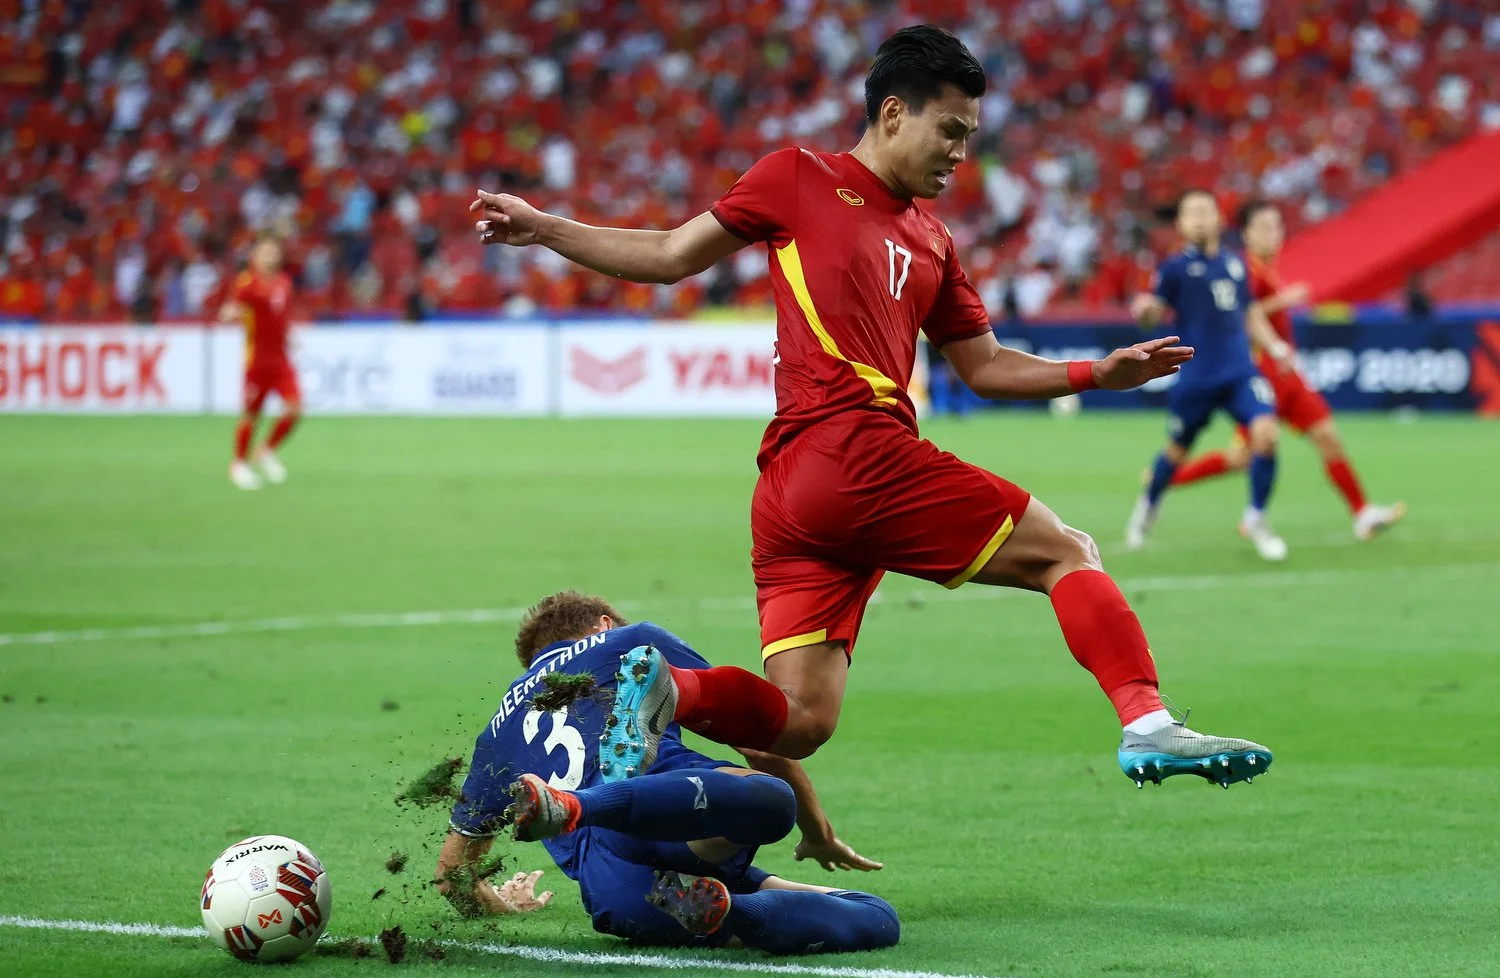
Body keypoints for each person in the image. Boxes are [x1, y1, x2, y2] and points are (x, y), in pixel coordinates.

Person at [470, 26, 1272, 791]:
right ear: (893, 113)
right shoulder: (796, 177)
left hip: (790, 495)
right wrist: (546, 229)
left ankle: (668, 691)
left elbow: (983, 366)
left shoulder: (934, 239)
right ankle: (1147, 721)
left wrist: (1095, 372)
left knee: (804, 720)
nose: (961, 154)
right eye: (950, 130)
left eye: (970, 136)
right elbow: (672, 254)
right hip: (855, 452)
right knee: (1068, 551)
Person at [433, 591, 900, 955]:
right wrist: (817, 832)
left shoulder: (497, 730)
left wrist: (505, 908)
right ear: (603, 624)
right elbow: (759, 743)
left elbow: (451, 875)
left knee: (878, 916)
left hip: (615, 887)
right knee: (774, 801)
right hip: (671, 811)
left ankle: (727, 906)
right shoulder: (626, 642)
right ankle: (582, 808)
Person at [1166, 202, 1406, 541]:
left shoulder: (1266, 269)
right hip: (1259, 371)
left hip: (1285, 371)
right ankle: (1167, 480)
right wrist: (1285, 300)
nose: (1272, 234)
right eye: (1264, 227)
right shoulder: (1240, 270)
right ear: (1246, 234)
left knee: (1328, 437)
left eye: (1276, 227)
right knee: (1246, 456)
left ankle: (1362, 514)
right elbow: (1237, 317)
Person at [1124, 190, 1291, 561]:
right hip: (1197, 377)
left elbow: (1248, 314)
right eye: (1191, 213)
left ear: (1218, 219)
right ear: (1181, 224)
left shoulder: (1235, 265)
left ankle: (1257, 520)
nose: (1199, 218)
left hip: (1239, 373)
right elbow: (1153, 312)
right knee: (1176, 452)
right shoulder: (1173, 268)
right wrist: (1145, 311)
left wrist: (1275, 346)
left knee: (1266, 436)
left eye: (1205, 211)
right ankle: (1148, 505)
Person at [218, 235, 300, 490]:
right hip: (257, 362)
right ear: (255, 256)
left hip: (281, 360)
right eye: (265, 251)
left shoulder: (284, 283)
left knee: (295, 408)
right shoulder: (247, 283)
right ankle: (239, 464)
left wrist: (290, 335)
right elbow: (230, 309)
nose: (270, 256)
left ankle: (265, 451)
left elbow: (282, 317)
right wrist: (231, 313)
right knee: (251, 415)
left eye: (273, 251)